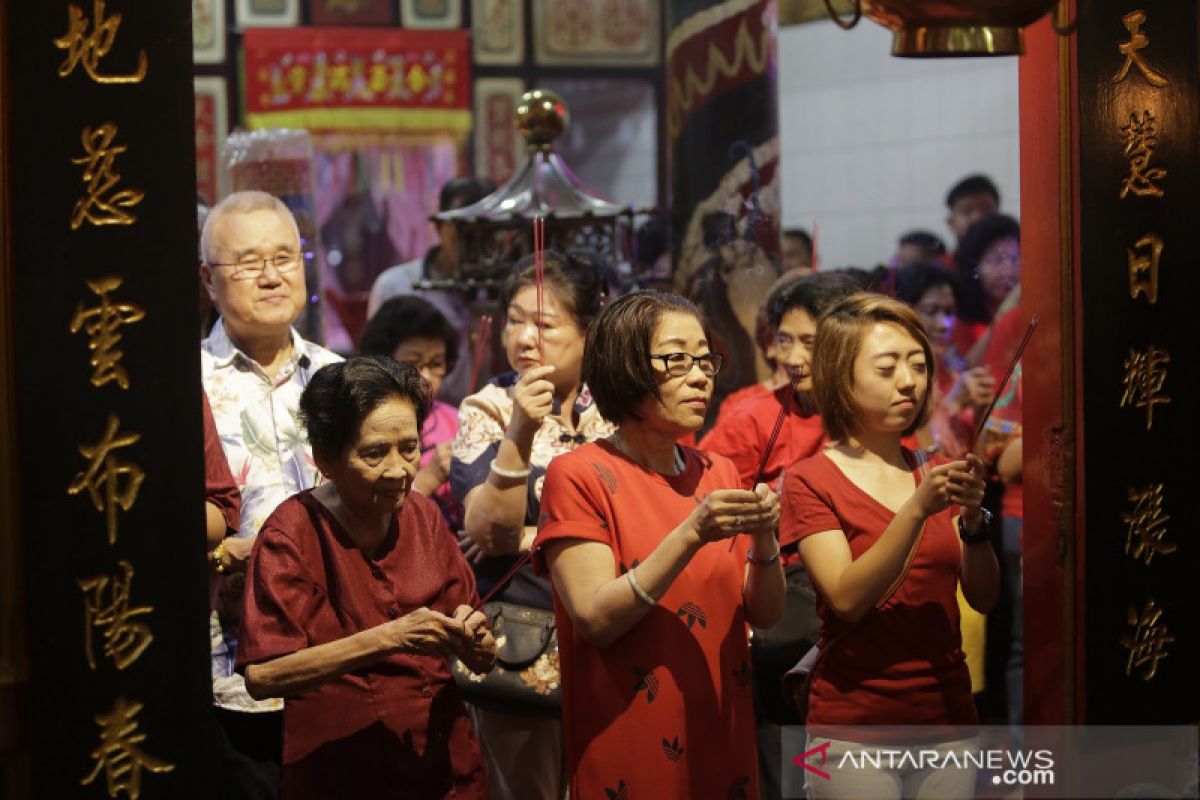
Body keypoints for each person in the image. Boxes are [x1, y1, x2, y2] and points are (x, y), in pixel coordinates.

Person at [534, 291, 784, 798]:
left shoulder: (719, 472)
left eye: (704, 359)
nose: (699, 375)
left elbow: (765, 613)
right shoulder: (578, 475)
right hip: (628, 740)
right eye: (676, 359)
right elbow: (596, 619)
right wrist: (693, 533)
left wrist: (764, 534)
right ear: (625, 366)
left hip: (722, 727)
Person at [237, 357, 497, 799]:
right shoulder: (292, 534)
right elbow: (263, 676)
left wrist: (477, 644)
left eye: (410, 448)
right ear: (325, 458)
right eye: (374, 453)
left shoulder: (424, 516)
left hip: (442, 766)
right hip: (341, 773)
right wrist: (389, 638)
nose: (399, 470)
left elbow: (477, 639)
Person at [780, 293, 999, 798]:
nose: (909, 380)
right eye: (887, 368)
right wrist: (918, 509)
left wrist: (974, 523)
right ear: (841, 377)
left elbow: (984, 598)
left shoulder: (935, 467)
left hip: (947, 721)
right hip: (850, 729)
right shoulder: (811, 480)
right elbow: (847, 598)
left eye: (919, 366)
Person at [450, 249, 614, 800]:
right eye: (515, 321)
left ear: (589, 330)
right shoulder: (489, 406)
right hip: (522, 638)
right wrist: (520, 427)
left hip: (612, 633)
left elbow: (648, 520)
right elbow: (490, 532)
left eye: (544, 324)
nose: (525, 338)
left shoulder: (617, 409)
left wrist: (534, 536)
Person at [200, 190, 344, 794]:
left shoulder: (338, 376)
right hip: (227, 667)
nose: (270, 276)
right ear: (209, 281)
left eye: (285, 257)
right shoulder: (183, 382)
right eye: (249, 262)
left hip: (337, 656)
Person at [701, 272, 860, 490]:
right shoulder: (751, 419)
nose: (793, 358)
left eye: (809, 343)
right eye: (784, 340)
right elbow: (711, 497)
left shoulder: (875, 414)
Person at [368, 176, 496, 406]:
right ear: (439, 226)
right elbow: (374, 371)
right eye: (461, 228)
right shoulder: (396, 285)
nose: (472, 239)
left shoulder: (498, 288)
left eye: (482, 230)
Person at [360, 295, 463, 532]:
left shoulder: (459, 420)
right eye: (413, 364)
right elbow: (366, 517)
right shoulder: (366, 426)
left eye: (436, 363)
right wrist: (429, 478)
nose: (426, 377)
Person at [955, 213, 1021, 361]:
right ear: (974, 267)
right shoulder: (959, 316)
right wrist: (1005, 312)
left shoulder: (1030, 312)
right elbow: (966, 368)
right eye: (996, 261)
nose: (1007, 271)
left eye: (1015, 260)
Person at [944, 174, 1000, 251]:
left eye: (987, 209)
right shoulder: (939, 263)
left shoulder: (1017, 260)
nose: (977, 217)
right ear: (951, 222)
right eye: (966, 211)